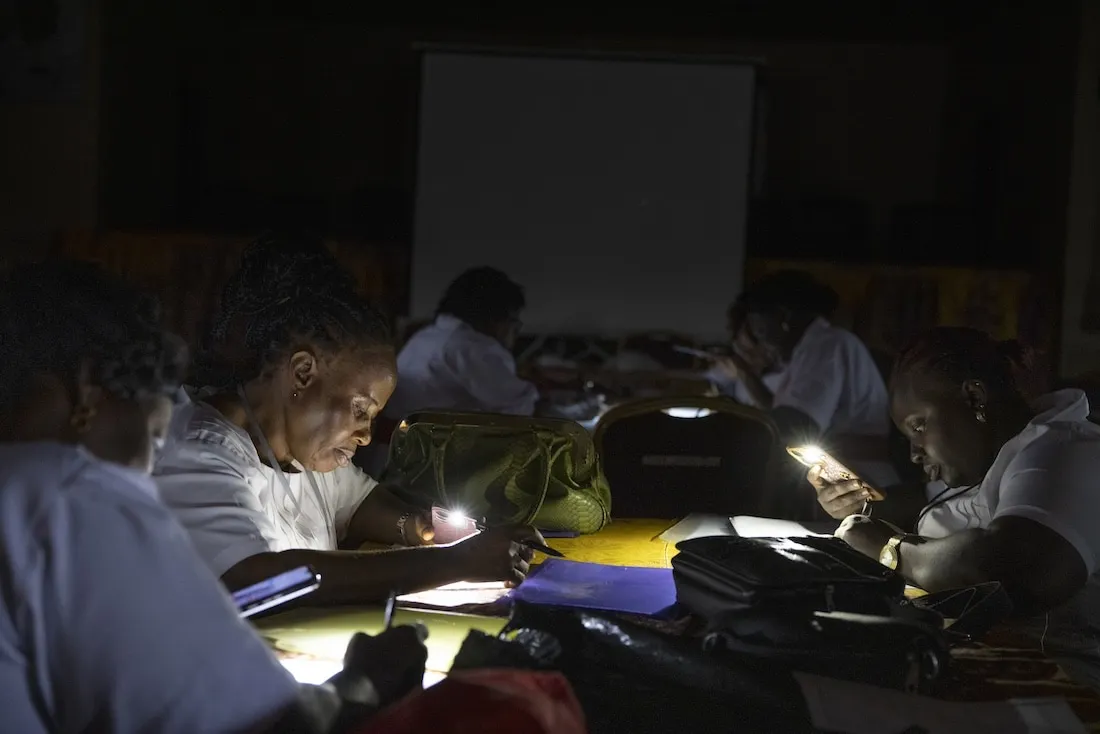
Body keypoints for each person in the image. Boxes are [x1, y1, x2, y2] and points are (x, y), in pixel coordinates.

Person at [0, 260, 428, 733]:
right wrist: (367, 678)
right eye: (155, 436)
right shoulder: (64, 491)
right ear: (88, 390)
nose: (151, 470)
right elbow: (265, 722)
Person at [155, 236, 536, 603]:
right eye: (360, 410)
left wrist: (421, 527)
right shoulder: (197, 452)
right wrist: (454, 562)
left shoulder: (300, 452)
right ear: (303, 373)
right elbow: (255, 579)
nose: (366, 436)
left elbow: (361, 502)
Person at [815, 327, 1100, 687]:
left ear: (974, 398)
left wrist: (891, 549)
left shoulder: (1067, 451)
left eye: (919, 426)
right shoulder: (995, 460)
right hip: (980, 666)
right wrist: (857, 502)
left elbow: (1014, 568)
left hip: (1063, 689)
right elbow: (916, 501)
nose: (914, 453)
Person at [714, 270, 898, 489]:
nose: (762, 341)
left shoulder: (826, 346)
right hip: (843, 479)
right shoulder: (809, 351)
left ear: (782, 318)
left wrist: (726, 423)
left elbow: (794, 426)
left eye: (760, 330)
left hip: (858, 478)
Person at [384, 267, 539, 419]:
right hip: (428, 433)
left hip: (403, 429)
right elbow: (518, 406)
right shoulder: (471, 346)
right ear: (494, 318)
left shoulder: (427, 336)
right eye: (513, 321)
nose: (515, 330)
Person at [708, 293, 786, 405]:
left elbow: (774, 409)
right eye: (742, 349)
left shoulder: (786, 373)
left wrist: (744, 371)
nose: (746, 357)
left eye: (752, 352)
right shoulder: (738, 366)